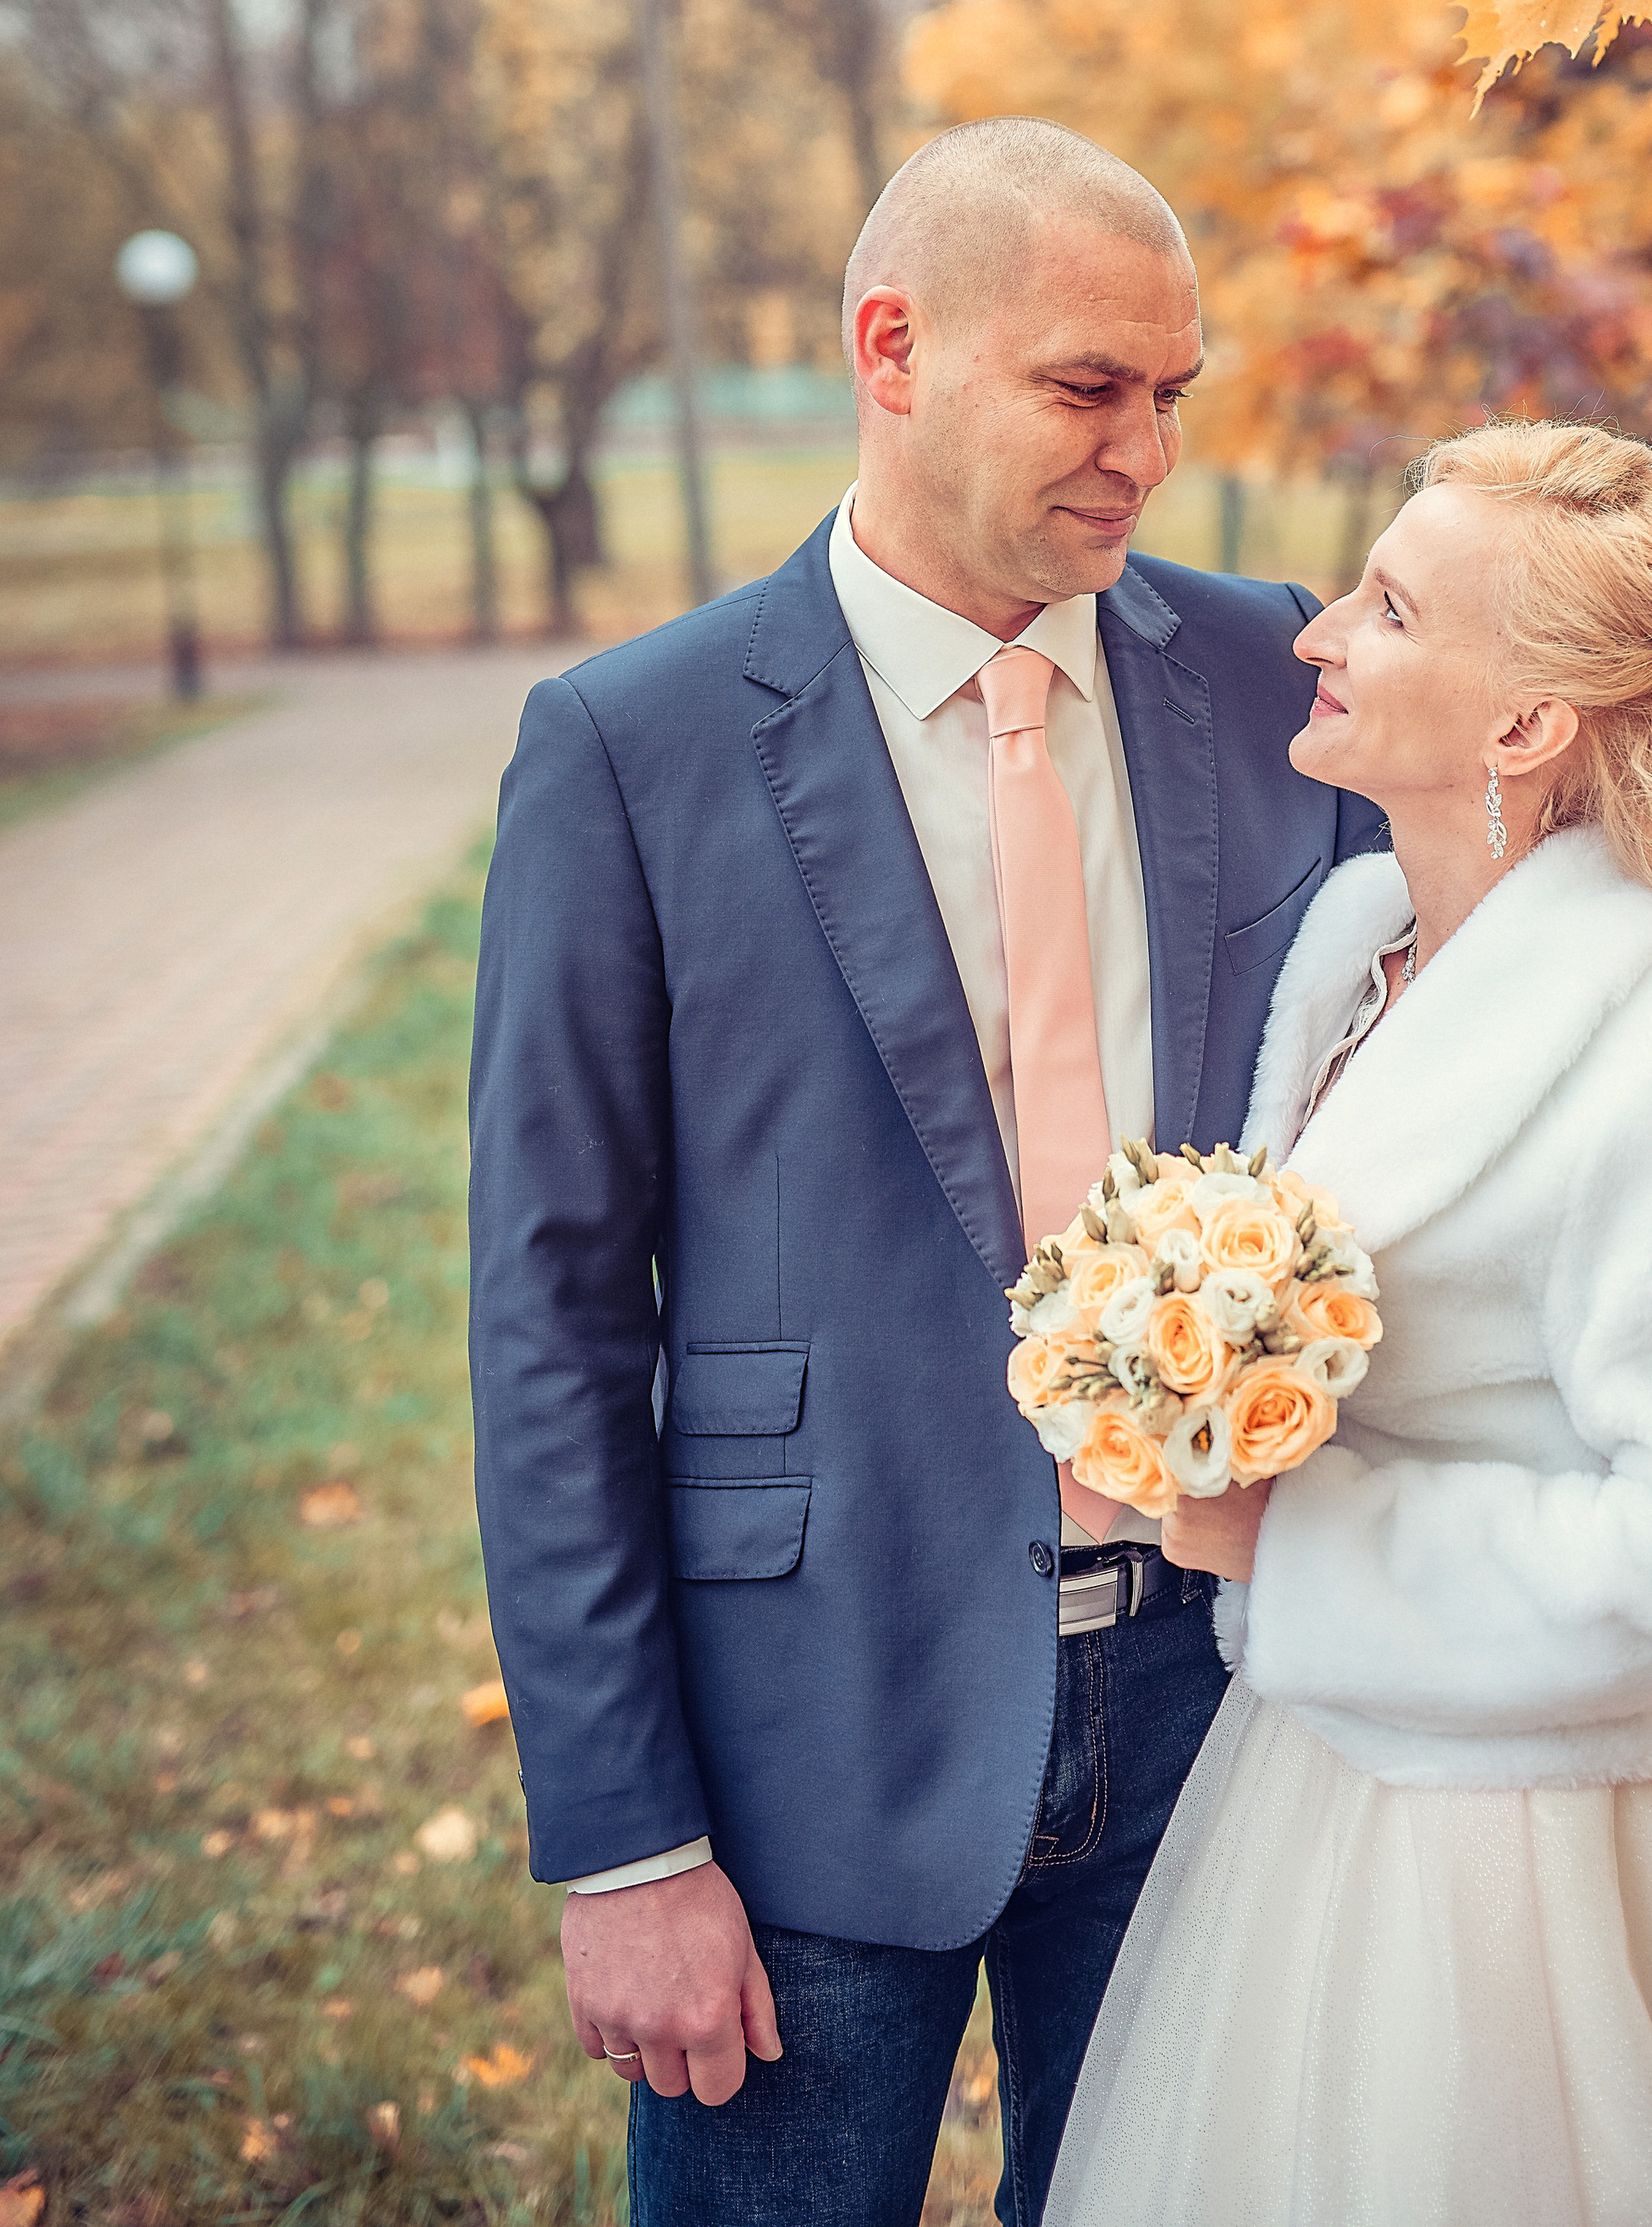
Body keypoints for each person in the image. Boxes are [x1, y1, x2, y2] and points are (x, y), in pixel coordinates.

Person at [467, 119, 1383, 2227]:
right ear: (892, 348)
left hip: (1224, 1695)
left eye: (1172, 390)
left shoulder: (1275, 677)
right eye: (1086, 386)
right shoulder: (631, 745)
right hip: (804, 1725)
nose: (1146, 450)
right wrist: (625, 1843)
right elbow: (553, 1319)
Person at [1046, 418, 1652, 2227]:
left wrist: (1303, 1536)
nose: (1319, 631)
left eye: (1392, 608)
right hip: (1305, 1788)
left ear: (1522, 727)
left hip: (1524, 1873)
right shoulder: (1348, 966)